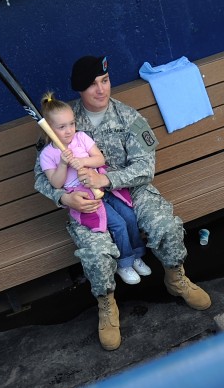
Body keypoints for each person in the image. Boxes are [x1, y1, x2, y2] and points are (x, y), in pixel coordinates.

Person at [34, 55, 211, 351]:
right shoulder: (61, 121)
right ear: (79, 90)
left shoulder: (128, 117)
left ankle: (175, 278)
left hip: (132, 190)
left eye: (105, 81)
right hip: (87, 201)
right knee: (96, 250)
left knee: (165, 225)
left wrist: (108, 180)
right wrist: (65, 197)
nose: (101, 90)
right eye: (92, 85)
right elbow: (42, 176)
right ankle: (107, 305)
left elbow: (145, 168)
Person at [37, 92, 152, 287]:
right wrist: (64, 164)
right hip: (85, 197)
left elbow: (100, 159)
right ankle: (125, 263)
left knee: (129, 216)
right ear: (49, 130)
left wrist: (81, 161)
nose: (69, 130)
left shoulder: (81, 138)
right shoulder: (48, 154)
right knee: (117, 224)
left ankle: (136, 255)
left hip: (100, 186)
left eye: (72, 124)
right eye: (61, 127)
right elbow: (55, 183)